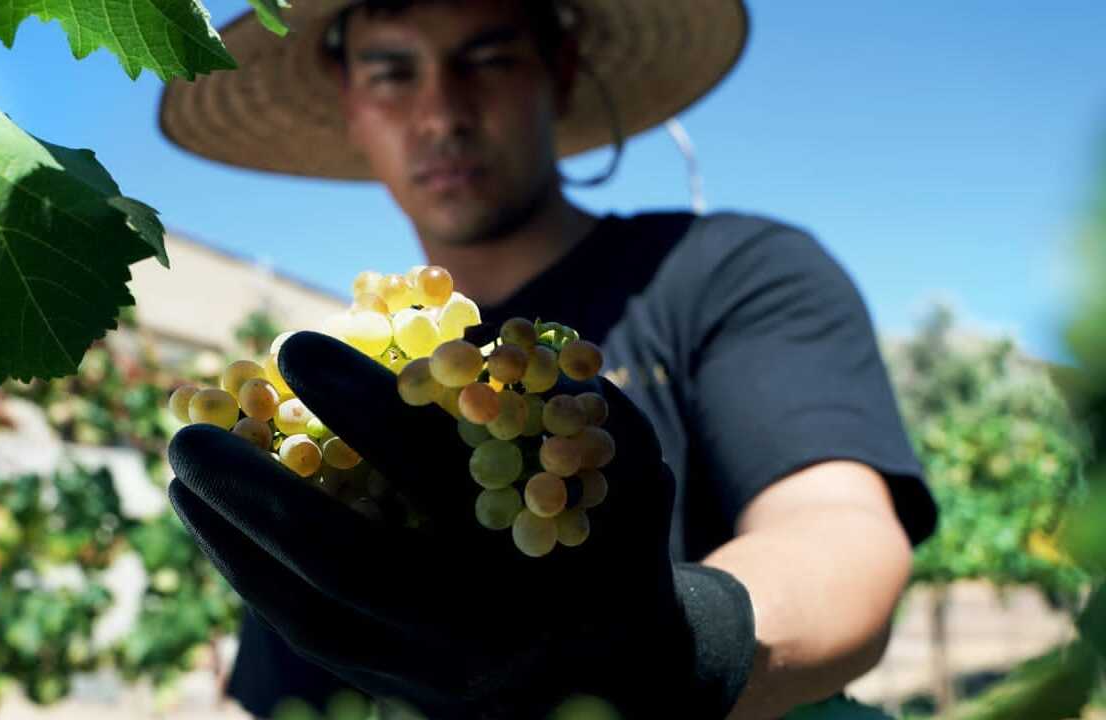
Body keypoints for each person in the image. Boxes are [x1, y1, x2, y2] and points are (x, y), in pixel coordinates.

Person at [158, 1, 939, 718]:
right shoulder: (346, 403)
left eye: (488, 59)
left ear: (559, 72)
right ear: (349, 102)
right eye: (392, 72)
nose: (442, 112)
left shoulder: (731, 271)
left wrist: (689, 644)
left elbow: (839, 533)